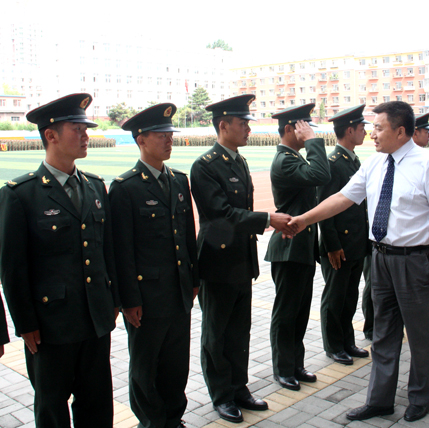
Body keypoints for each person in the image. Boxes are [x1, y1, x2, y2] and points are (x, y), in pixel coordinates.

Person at [287, 101, 429, 422]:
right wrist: (304, 219)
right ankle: (380, 400)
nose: (372, 134)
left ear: (400, 132)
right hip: (381, 259)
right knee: (383, 332)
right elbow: (342, 198)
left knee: (420, 335)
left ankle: (420, 398)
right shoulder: (375, 163)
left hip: (416, 261)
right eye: (372, 128)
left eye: (378, 128)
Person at [0, 93, 120, 427]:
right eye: (76, 129)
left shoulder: (94, 187)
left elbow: (106, 251)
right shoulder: (20, 194)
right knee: (52, 406)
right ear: (51, 135)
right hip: (50, 325)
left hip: (95, 319)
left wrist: (113, 300)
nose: (85, 136)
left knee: (97, 403)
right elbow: (12, 269)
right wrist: (25, 324)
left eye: (86, 129)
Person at [191, 95, 288, 422]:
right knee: (216, 334)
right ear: (223, 125)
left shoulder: (239, 161)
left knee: (239, 330)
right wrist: (268, 219)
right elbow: (221, 214)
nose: (248, 129)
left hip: (241, 261)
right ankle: (221, 395)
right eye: (243, 123)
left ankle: (239, 387)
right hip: (217, 263)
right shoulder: (204, 166)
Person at [109, 103, 199, 428]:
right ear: (141, 140)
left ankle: (173, 419)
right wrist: (128, 300)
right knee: (145, 367)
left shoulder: (179, 181)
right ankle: (151, 422)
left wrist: (194, 280)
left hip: (178, 292)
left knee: (176, 364)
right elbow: (121, 251)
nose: (169, 140)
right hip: (147, 298)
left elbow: (188, 236)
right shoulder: (126, 188)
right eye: (161, 135)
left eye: (170, 134)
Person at [264, 104, 330, 391]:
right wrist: (313, 141)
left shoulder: (294, 158)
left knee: (300, 310)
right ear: (290, 129)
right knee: (286, 311)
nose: (309, 130)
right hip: (288, 246)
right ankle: (283, 368)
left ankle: (296, 364)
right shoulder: (285, 161)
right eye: (304, 126)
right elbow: (321, 175)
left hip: (301, 245)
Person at [318, 104, 371, 366]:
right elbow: (325, 209)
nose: (365, 132)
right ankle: (334, 345)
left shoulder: (353, 160)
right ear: (349, 130)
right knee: (335, 297)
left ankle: (347, 341)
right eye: (361, 128)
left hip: (355, 242)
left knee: (349, 296)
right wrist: (332, 245)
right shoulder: (333, 164)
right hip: (339, 244)